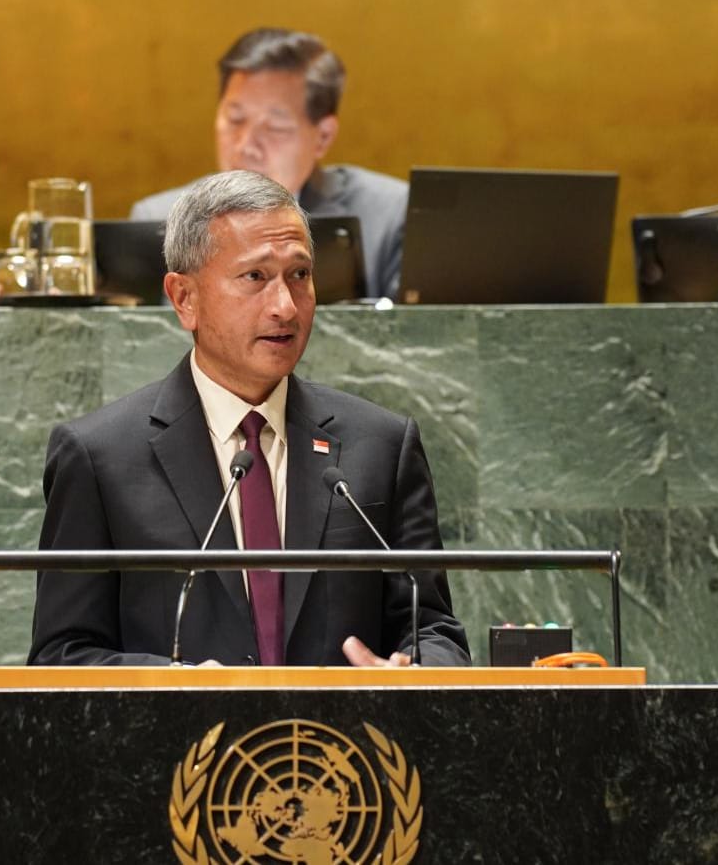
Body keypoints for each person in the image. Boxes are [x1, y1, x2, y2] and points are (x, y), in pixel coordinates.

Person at [28, 170, 468, 667]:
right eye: (255, 277)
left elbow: (434, 632)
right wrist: (176, 685)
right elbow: (61, 657)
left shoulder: (381, 446)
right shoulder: (99, 457)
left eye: (299, 275)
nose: (286, 307)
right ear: (184, 298)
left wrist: (410, 674)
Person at [130, 28, 409, 301]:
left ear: (323, 136)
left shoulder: (389, 214)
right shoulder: (157, 220)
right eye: (235, 119)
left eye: (275, 127)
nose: (245, 145)